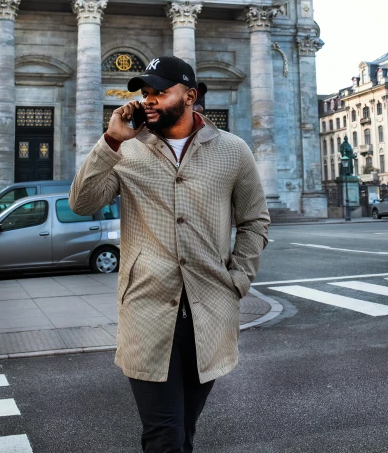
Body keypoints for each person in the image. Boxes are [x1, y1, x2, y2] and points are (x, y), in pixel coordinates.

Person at [69, 56, 270, 453]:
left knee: (183, 433)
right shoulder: (128, 150)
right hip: (146, 310)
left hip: (209, 310)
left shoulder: (233, 150)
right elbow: (81, 202)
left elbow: (255, 221)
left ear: (190, 95)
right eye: (145, 93)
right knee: (164, 437)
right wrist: (110, 141)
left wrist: (239, 281)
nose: (150, 100)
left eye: (160, 91)